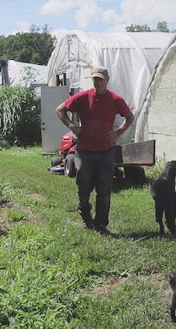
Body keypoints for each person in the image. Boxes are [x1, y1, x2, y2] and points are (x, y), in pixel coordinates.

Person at [55, 66, 134, 232]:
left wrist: (117, 134)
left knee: (104, 190)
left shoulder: (115, 99)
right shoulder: (83, 97)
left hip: (105, 152)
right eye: (95, 79)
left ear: (107, 80)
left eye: (100, 79)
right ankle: (84, 211)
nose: (97, 83)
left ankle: (101, 224)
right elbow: (60, 110)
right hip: (85, 151)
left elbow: (129, 117)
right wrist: (72, 126)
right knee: (84, 186)